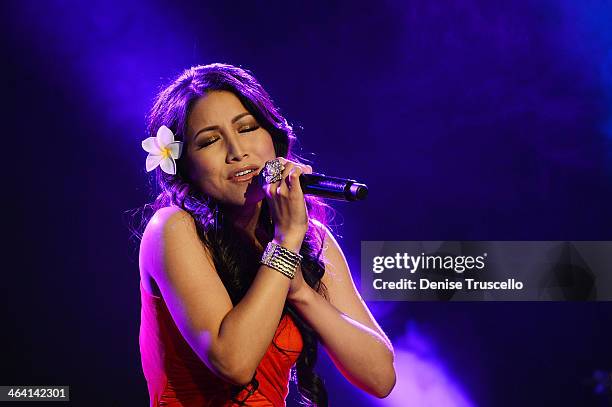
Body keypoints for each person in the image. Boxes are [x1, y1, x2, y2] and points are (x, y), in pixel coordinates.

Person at [138, 63, 395, 406]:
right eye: (211, 141)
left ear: (273, 139)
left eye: (246, 128)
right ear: (185, 166)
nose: (237, 151)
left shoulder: (311, 239)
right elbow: (233, 361)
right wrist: (285, 242)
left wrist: (302, 291)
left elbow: (381, 377)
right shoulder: (171, 229)